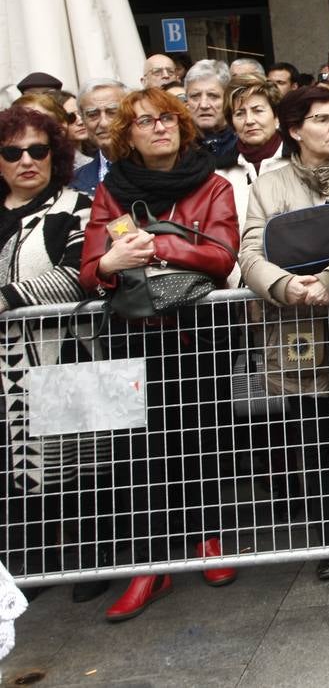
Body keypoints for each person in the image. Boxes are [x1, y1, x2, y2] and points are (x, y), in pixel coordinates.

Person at [79, 87, 241, 622]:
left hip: (200, 334)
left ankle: (209, 539)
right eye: (145, 121)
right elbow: (90, 268)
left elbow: (220, 256)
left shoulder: (213, 183)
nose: (160, 127)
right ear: (129, 134)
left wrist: (153, 243)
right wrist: (110, 262)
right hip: (136, 335)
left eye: (169, 118)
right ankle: (151, 562)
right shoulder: (112, 189)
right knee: (141, 451)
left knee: (205, 436)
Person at [238, 84, 329, 582]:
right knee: (317, 447)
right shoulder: (268, 185)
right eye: (321, 119)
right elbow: (250, 253)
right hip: (298, 335)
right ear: (295, 129)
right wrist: (283, 286)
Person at [0, 106, 104, 603]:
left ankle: (89, 566)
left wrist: (6, 299)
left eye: (38, 150)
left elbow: (75, 275)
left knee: (79, 467)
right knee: (10, 466)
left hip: (63, 357)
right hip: (5, 369)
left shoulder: (77, 205)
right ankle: (29, 568)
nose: (26, 160)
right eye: (12, 152)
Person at [219, 75, 285, 224]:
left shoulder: (300, 160)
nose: (249, 121)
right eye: (240, 114)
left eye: (258, 111)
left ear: (276, 117)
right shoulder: (221, 173)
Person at [71, 78, 128, 196]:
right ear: (83, 120)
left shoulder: (157, 168)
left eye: (113, 113)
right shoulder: (73, 182)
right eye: (93, 115)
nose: (104, 123)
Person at [184, 60, 237, 160]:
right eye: (195, 96)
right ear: (186, 101)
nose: (204, 105)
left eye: (213, 96)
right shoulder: (178, 147)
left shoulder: (244, 143)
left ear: (228, 99)